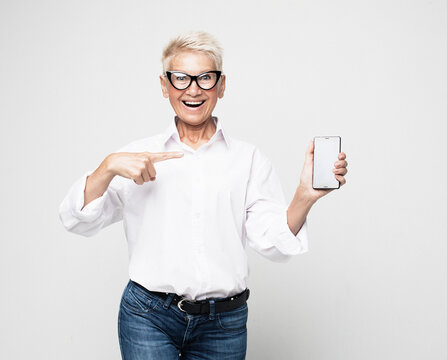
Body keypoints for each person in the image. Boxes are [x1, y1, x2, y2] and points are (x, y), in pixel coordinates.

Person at [58, 30, 348, 360]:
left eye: (205, 78)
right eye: (181, 78)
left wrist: (304, 196)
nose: (193, 89)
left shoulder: (248, 160)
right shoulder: (137, 155)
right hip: (148, 317)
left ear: (221, 85)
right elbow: (75, 220)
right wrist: (107, 167)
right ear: (164, 86)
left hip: (223, 324)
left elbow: (272, 242)